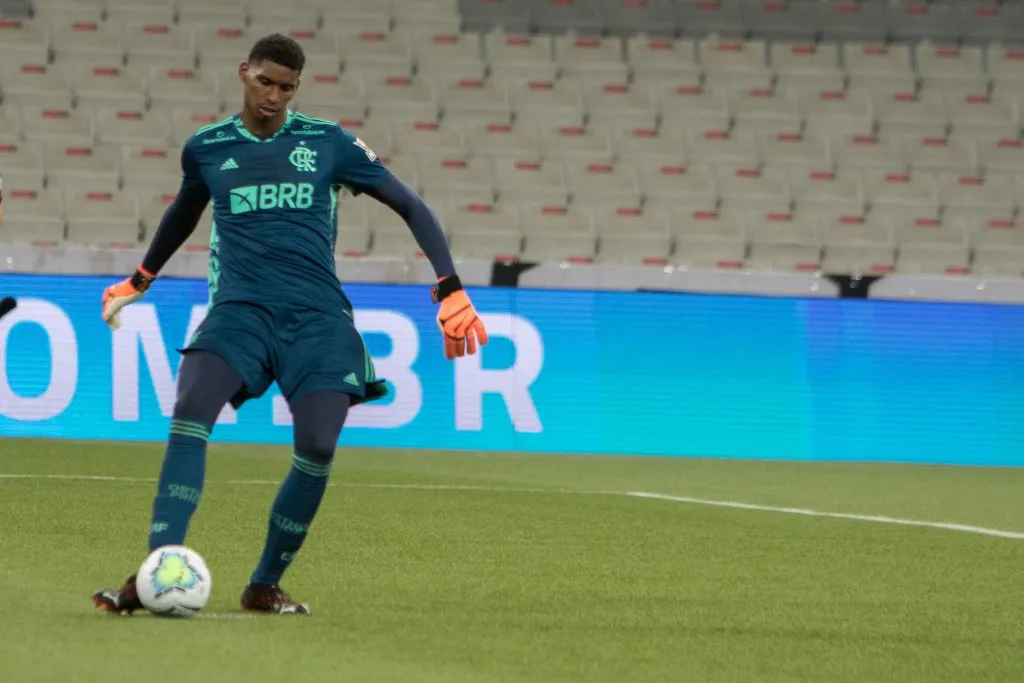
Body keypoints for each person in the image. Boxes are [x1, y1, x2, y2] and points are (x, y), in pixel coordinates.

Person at [92, 34, 488, 616]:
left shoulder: (329, 142)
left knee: (318, 446)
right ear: (244, 72)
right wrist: (140, 279)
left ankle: (264, 585)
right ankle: (158, 569)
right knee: (191, 410)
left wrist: (449, 285)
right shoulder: (207, 148)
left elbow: (410, 204)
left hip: (318, 318)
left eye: (287, 87)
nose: (274, 96)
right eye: (265, 82)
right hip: (240, 312)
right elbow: (184, 211)